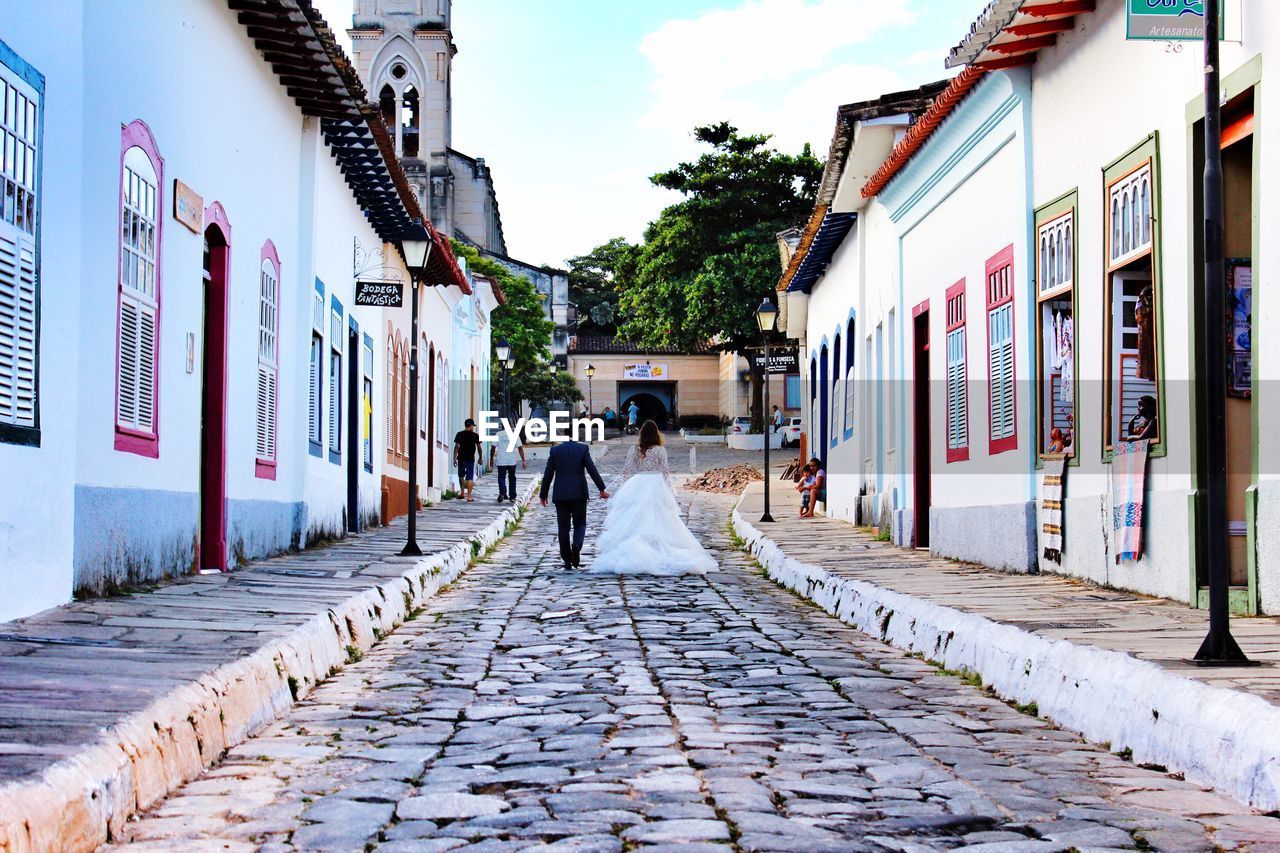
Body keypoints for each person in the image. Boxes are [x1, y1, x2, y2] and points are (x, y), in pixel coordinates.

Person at [589, 420, 717, 575]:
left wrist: (608, 490)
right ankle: (656, 551)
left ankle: (638, 553)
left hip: (638, 484)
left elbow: (624, 473)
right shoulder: (660, 450)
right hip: (657, 486)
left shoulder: (634, 449)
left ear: (641, 434)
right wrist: (672, 493)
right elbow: (666, 474)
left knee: (635, 520)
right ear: (656, 434)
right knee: (660, 520)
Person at [540, 438, 609, 569]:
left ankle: (567, 559)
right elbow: (592, 469)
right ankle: (577, 545)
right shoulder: (582, 449)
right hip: (579, 493)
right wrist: (601, 488)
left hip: (561, 495)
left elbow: (548, 474)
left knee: (563, 528)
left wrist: (543, 494)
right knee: (580, 524)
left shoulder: (555, 451)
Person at [489, 428, 527, 503]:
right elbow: (520, 448)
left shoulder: (498, 434)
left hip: (501, 461)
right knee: (512, 478)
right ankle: (512, 496)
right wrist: (523, 460)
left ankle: (502, 493)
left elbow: (493, 448)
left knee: (501, 477)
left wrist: (491, 459)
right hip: (511, 461)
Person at [453, 418, 484, 502]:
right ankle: (469, 496)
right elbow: (479, 448)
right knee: (470, 477)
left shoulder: (459, 434)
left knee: (461, 475)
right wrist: (480, 458)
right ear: (470, 426)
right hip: (470, 458)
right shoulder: (475, 435)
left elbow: (456, 447)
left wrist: (454, 458)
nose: (473, 427)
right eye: (472, 426)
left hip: (461, 458)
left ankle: (462, 493)